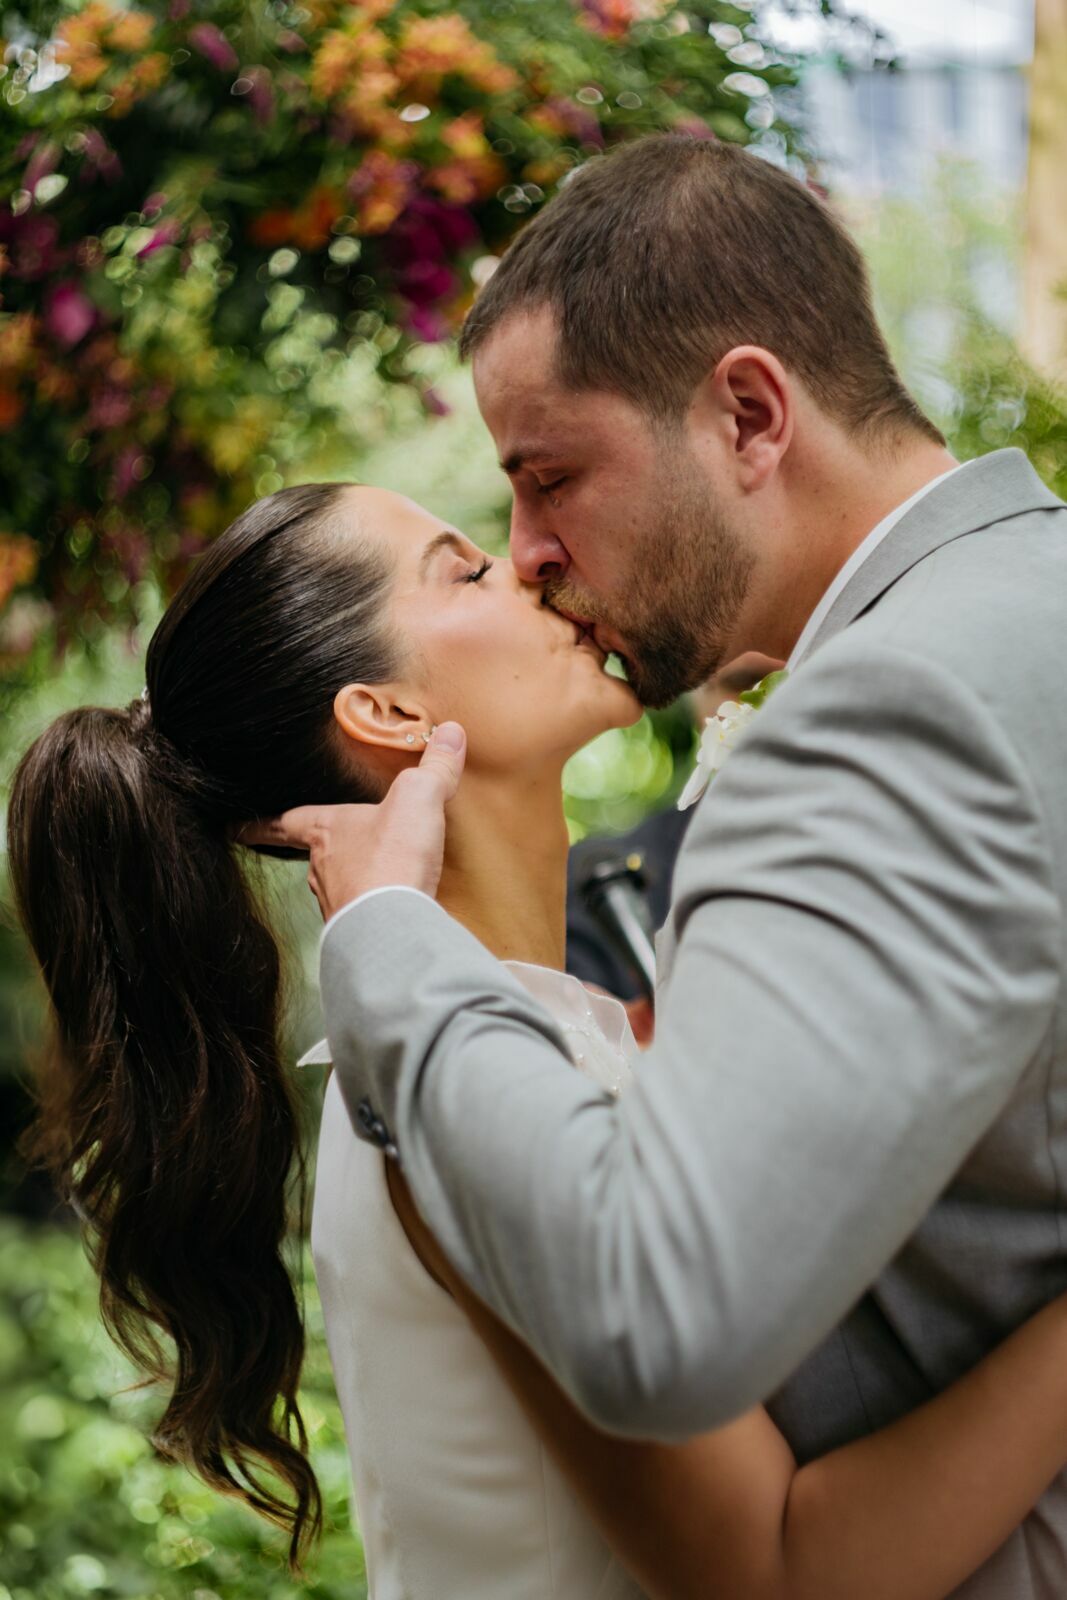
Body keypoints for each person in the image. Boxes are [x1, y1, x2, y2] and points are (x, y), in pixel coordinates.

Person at [244, 134, 1067, 1595]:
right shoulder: (1016, 610)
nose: (528, 554)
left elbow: (660, 1314)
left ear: (748, 415)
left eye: (547, 479)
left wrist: (381, 943)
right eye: (475, 548)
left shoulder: (889, 710)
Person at [12, 482, 1067, 1600]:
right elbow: (781, 1571)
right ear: (389, 714)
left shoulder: (536, 1038)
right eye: (465, 569)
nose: (529, 564)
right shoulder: (439, 1105)